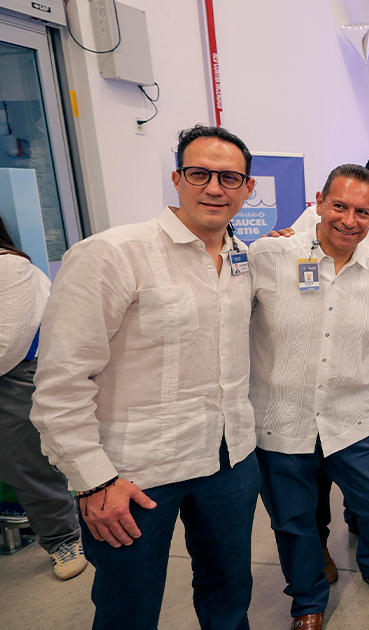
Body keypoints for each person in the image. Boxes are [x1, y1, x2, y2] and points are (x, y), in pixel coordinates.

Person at [30, 125, 261, 630]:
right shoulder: (113, 253)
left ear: (248, 189)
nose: (214, 188)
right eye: (199, 174)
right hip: (133, 474)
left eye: (229, 178)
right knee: (128, 608)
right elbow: (61, 383)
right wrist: (93, 481)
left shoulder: (241, 258)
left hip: (228, 460)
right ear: (177, 179)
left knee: (229, 593)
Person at [249, 165, 369, 629]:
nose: (349, 220)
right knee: (293, 519)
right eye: (339, 206)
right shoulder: (268, 256)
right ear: (319, 202)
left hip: (354, 413)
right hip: (280, 418)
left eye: (362, 212)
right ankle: (307, 599)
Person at [0, 217, 85, 581]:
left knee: (28, 466)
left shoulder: (10, 266)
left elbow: (7, 345)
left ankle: (63, 538)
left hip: (11, 376)